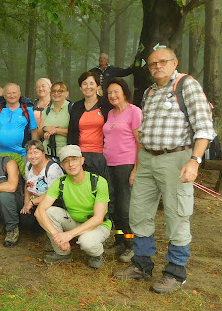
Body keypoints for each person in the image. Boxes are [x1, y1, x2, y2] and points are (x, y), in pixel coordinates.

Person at [114, 47, 215, 293]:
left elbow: (205, 128)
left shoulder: (186, 85)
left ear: (174, 62)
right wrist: (138, 165)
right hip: (147, 159)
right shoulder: (149, 92)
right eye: (152, 64)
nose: (157, 66)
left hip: (176, 158)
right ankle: (141, 264)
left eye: (163, 61)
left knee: (177, 215)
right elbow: (144, 133)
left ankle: (175, 272)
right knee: (138, 213)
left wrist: (194, 161)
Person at [34, 145, 111, 269]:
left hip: (97, 225)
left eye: (74, 159)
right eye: (66, 161)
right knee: (49, 212)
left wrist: (68, 235)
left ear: (82, 160)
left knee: (87, 242)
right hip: (74, 221)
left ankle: (96, 254)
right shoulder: (61, 182)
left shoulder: (98, 182)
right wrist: (57, 236)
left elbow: (98, 219)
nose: (71, 164)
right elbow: (39, 211)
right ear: (62, 165)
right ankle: (62, 253)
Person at [101, 78, 142, 262]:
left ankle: (131, 244)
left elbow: (141, 142)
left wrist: (136, 169)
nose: (112, 95)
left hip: (126, 165)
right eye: (109, 92)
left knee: (126, 207)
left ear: (124, 92)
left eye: (116, 91)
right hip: (109, 164)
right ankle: (119, 240)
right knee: (114, 206)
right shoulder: (110, 113)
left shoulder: (134, 112)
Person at [68, 72, 113, 180]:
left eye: (91, 83)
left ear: (97, 86)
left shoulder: (106, 105)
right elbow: (71, 132)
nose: (88, 87)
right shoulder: (76, 106)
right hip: (80, 155)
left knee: (99, 188)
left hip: (101, 156)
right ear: (80, 87)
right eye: (84, 84)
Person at [21, 140, 64, 233]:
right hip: (34, 198)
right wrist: (26, 202)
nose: (33, 156)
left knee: (40, 218)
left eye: (36, 153)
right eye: (30, 153)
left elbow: (53, 193)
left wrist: (32, 203)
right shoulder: (29, 165)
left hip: (51, 201)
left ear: (43, 153)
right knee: (24, 221)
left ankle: (51, 232)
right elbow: (27, 184)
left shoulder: (52, 168)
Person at [0, 83, 39, 159]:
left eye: (14, 93)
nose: (12, 96)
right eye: (9, 93)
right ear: (4, 96)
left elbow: (34, 132)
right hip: (1, 154)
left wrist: (35, 151)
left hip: (22, 154)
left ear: (19, 94)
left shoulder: (27, 110)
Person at [38, 82, 71, 160]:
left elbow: (75, 132)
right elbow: (39, 133)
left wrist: (56, 130)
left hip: (66, 155)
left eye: (60, 91)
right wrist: (46, 128)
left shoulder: (72, 109)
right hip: (47, 154)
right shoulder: (47, 110)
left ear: (67, 93)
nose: (56, 93)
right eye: (54, 91)